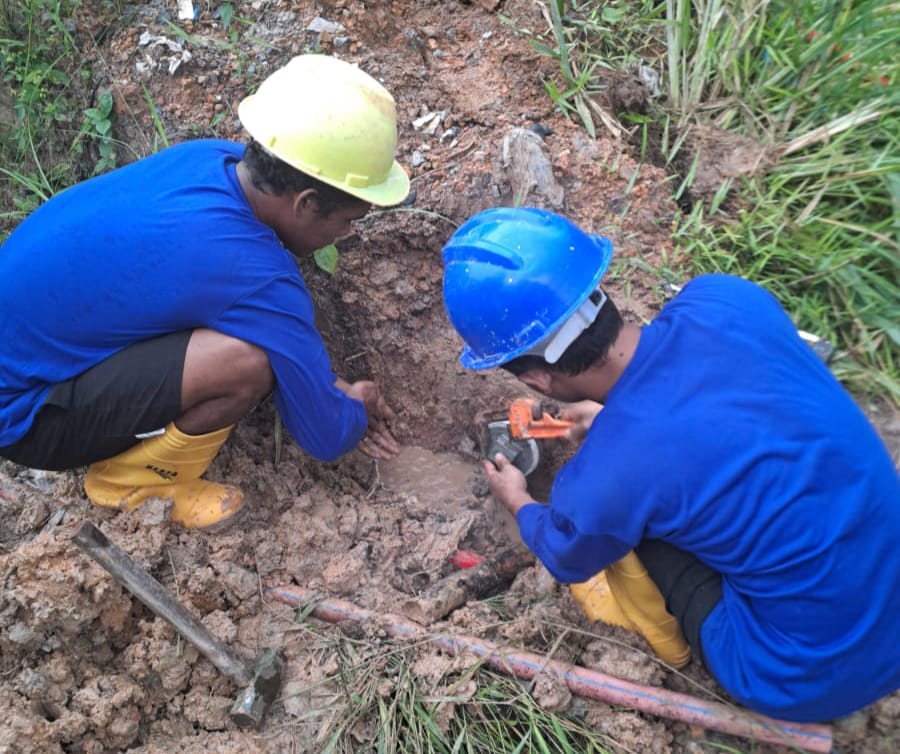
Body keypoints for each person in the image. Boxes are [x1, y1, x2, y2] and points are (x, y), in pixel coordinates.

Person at [441, 206, 900, 722]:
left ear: (538, 381)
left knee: (636, 531)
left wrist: (520, 500)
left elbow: (568, 554)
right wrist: (616, 415)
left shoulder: (606, 478)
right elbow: (698, 396)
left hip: (801, 673)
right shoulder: (725, 298)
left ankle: (682, 652)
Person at [0, 54, 409, 529]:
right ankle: (129, 482)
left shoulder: (209, 158)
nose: (347, 236)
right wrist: (354, 406)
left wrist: (328, 387)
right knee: (246, 364)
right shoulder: (255, 274)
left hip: (27, 354)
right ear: (307, 202)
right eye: (347, 221)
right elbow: (324, 435)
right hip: (23, 414)